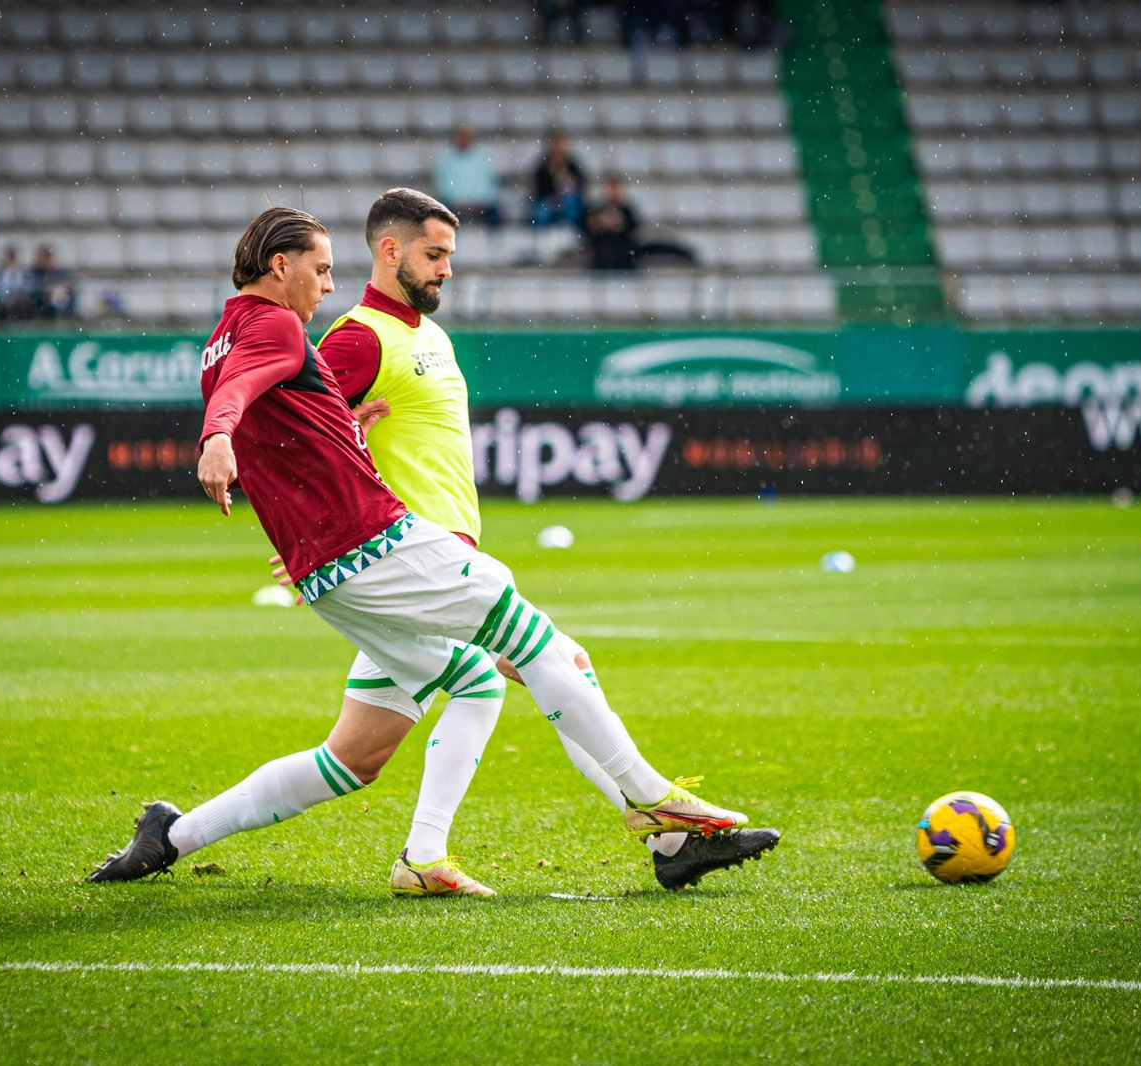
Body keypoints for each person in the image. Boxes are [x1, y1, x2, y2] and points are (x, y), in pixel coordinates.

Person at [88, 206, 765, 890]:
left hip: (347, 565)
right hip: (387, 548)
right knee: (547, 649)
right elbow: (243, 398)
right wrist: (218, 438)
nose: (328, 284)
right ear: (283, 265)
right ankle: (655, 806)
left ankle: (182, 836)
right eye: (320, 269)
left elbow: (283, 422)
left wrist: (329, 453)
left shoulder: (229, 335)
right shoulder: (312, 329)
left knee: (387, 737)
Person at [302, 188, 777, 892]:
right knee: (555, 661)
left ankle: (192, 835)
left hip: (437, 555)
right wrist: (322, 531)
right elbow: (303, 440)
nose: (447, 269)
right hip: (411, 559)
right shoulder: (356, 337)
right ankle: (663, 821)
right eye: (435, 254)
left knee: (356, 756)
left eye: (450, 255)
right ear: (390, 249)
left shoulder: (428, 335)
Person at [432, 125, 500, 228]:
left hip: (480, 203)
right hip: (454, 204)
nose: (464, 139)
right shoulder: (445, 160)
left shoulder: (481, 159)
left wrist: (477, 201)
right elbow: (442, 184)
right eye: (461, 136)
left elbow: (489, 184)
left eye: (467, 136)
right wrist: (457, 201)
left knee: (495, 213)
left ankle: (494, 238)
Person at [530, 133, 585, 228]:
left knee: (572, 206)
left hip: (567, 200)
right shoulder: (543, 166)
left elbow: (579, 183)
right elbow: (539, 186)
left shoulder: (571, 165)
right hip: (548, 200)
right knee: (541, 211)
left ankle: (569, 229)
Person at [585, 175, 640, 270]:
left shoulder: (627, 210)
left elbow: (632, 229)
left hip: (623, 254)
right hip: (601, 254)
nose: (613, 193)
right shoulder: (596, 210)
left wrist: (617, 224)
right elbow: (589, 231)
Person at [27, 246, 76, 319]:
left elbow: (68, 286)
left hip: (59, 300)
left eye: (49, 259)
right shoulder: (36, 273)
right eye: (46, 259)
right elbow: (33, 289)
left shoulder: (61, 273)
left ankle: (65, 316)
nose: (48, 262)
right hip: (42, 301)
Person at [0, 246, 29, 320]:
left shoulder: (21, 272)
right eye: (10, 257)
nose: (12, 260)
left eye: (13, 257)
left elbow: (25, 287)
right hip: (2, 300)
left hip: (18, 301)